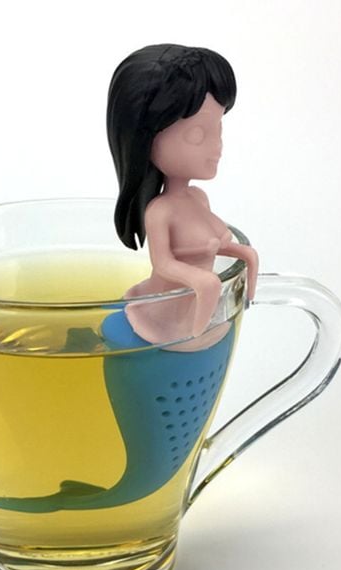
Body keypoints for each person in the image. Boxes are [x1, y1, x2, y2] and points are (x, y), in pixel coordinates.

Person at [107, 44, 258, 346]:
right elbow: (163, 263)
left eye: (218, 129)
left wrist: (245, 255)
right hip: (165, 316)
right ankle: (192, 336)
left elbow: (217, 248)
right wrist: (201, 279)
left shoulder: (198, 198)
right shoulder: (160, 211)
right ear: (146, 141)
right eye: (197, 134)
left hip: (204, 310)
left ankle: (198, 335)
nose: (217, 146)